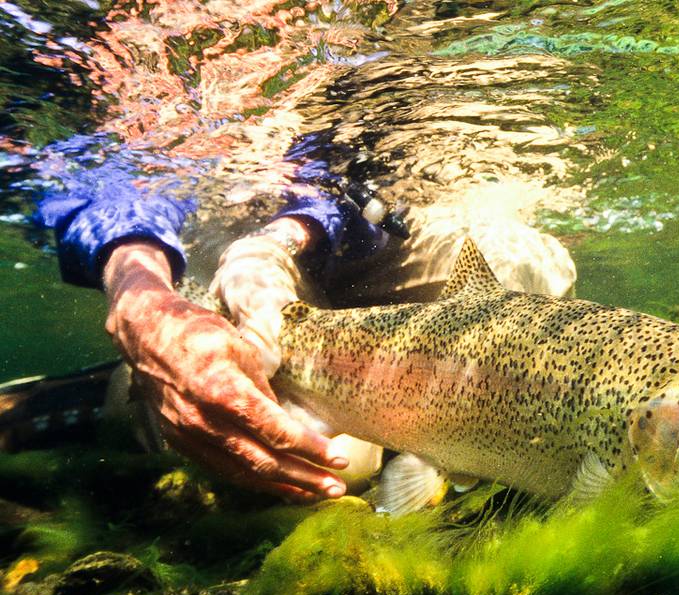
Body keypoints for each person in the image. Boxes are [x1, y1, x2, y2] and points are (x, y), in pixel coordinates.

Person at [35, 133, 577, 503]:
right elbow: (121, 181)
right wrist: (142, 303)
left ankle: (445, 440)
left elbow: (346, 177)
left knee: (529, 264)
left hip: (352, 250)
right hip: (245, 264)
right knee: (334, 465)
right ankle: (131, 391)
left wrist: (289, 231)